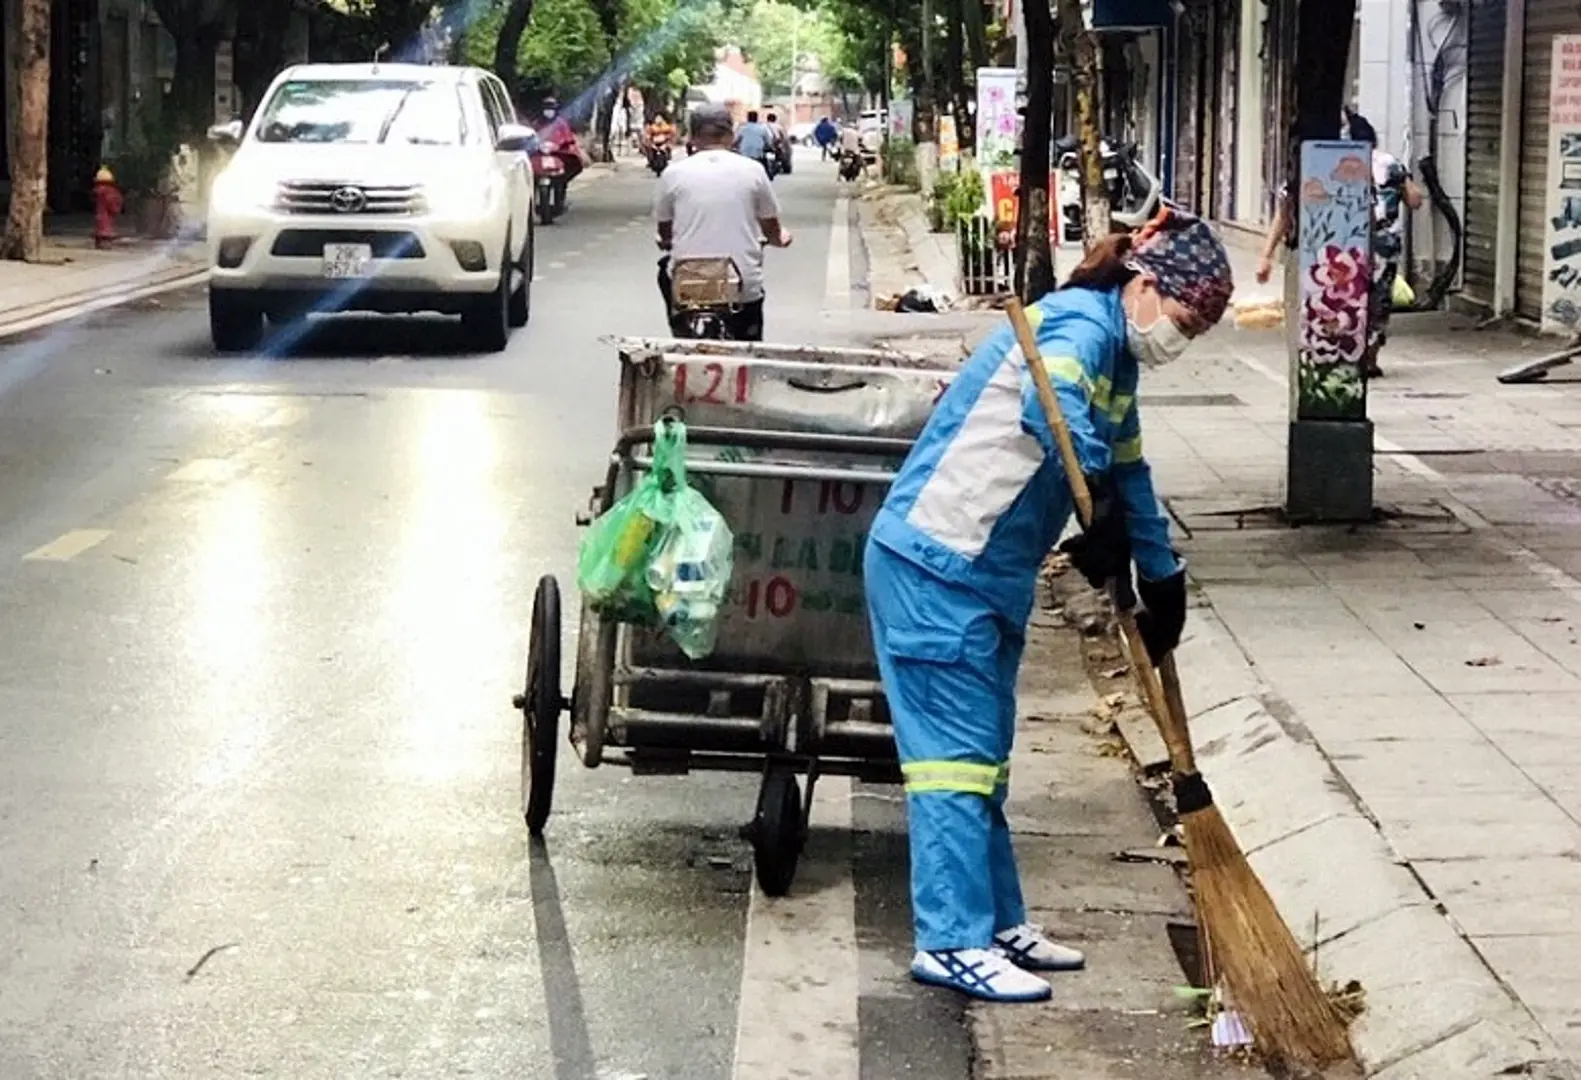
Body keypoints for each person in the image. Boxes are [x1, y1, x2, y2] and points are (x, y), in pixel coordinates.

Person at [864, 208, 1234, 1004]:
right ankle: (949, 940)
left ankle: (996, 923)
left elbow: (1128, 469)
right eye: (1181, 320)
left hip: (986, 573)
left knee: (985, 764)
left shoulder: (1119, 362)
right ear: (1142, 286)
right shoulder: (1075, 323)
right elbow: (1053, 413)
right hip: (936, 564)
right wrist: (1091, 506)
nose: (1180, 339)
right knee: (950, 766)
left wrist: (1157, 571)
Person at [1255, 108, 1422, 378]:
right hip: (1382, 246)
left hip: (1337, 247)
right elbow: (1415, 200)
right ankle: (1369, 357)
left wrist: (1267, 254)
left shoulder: (1318, 163)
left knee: (1339, 300)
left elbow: (1284, 212)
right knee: (1378, 303)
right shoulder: (1389, 163)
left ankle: (1338, 352)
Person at [654, 104, 793, 341]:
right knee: (748, 346)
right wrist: (780, 238)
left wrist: (667, 240)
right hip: (741, 286)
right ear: (731, 136)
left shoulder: (673, 173)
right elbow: (772, 228)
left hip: (689, 283)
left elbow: (664, 229)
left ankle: (681, 333)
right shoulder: (754, 171)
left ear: (693, 137)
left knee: (665, 274)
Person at [535, 96, 585, 186]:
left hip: (560, 153)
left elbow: (568, 138)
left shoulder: (561, 123)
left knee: (566, 170)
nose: (549, 111)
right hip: (542, 153)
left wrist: (561, 144)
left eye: (551, 108)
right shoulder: (538, 123)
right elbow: (532, 136)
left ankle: (562, 186)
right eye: (546, 108)